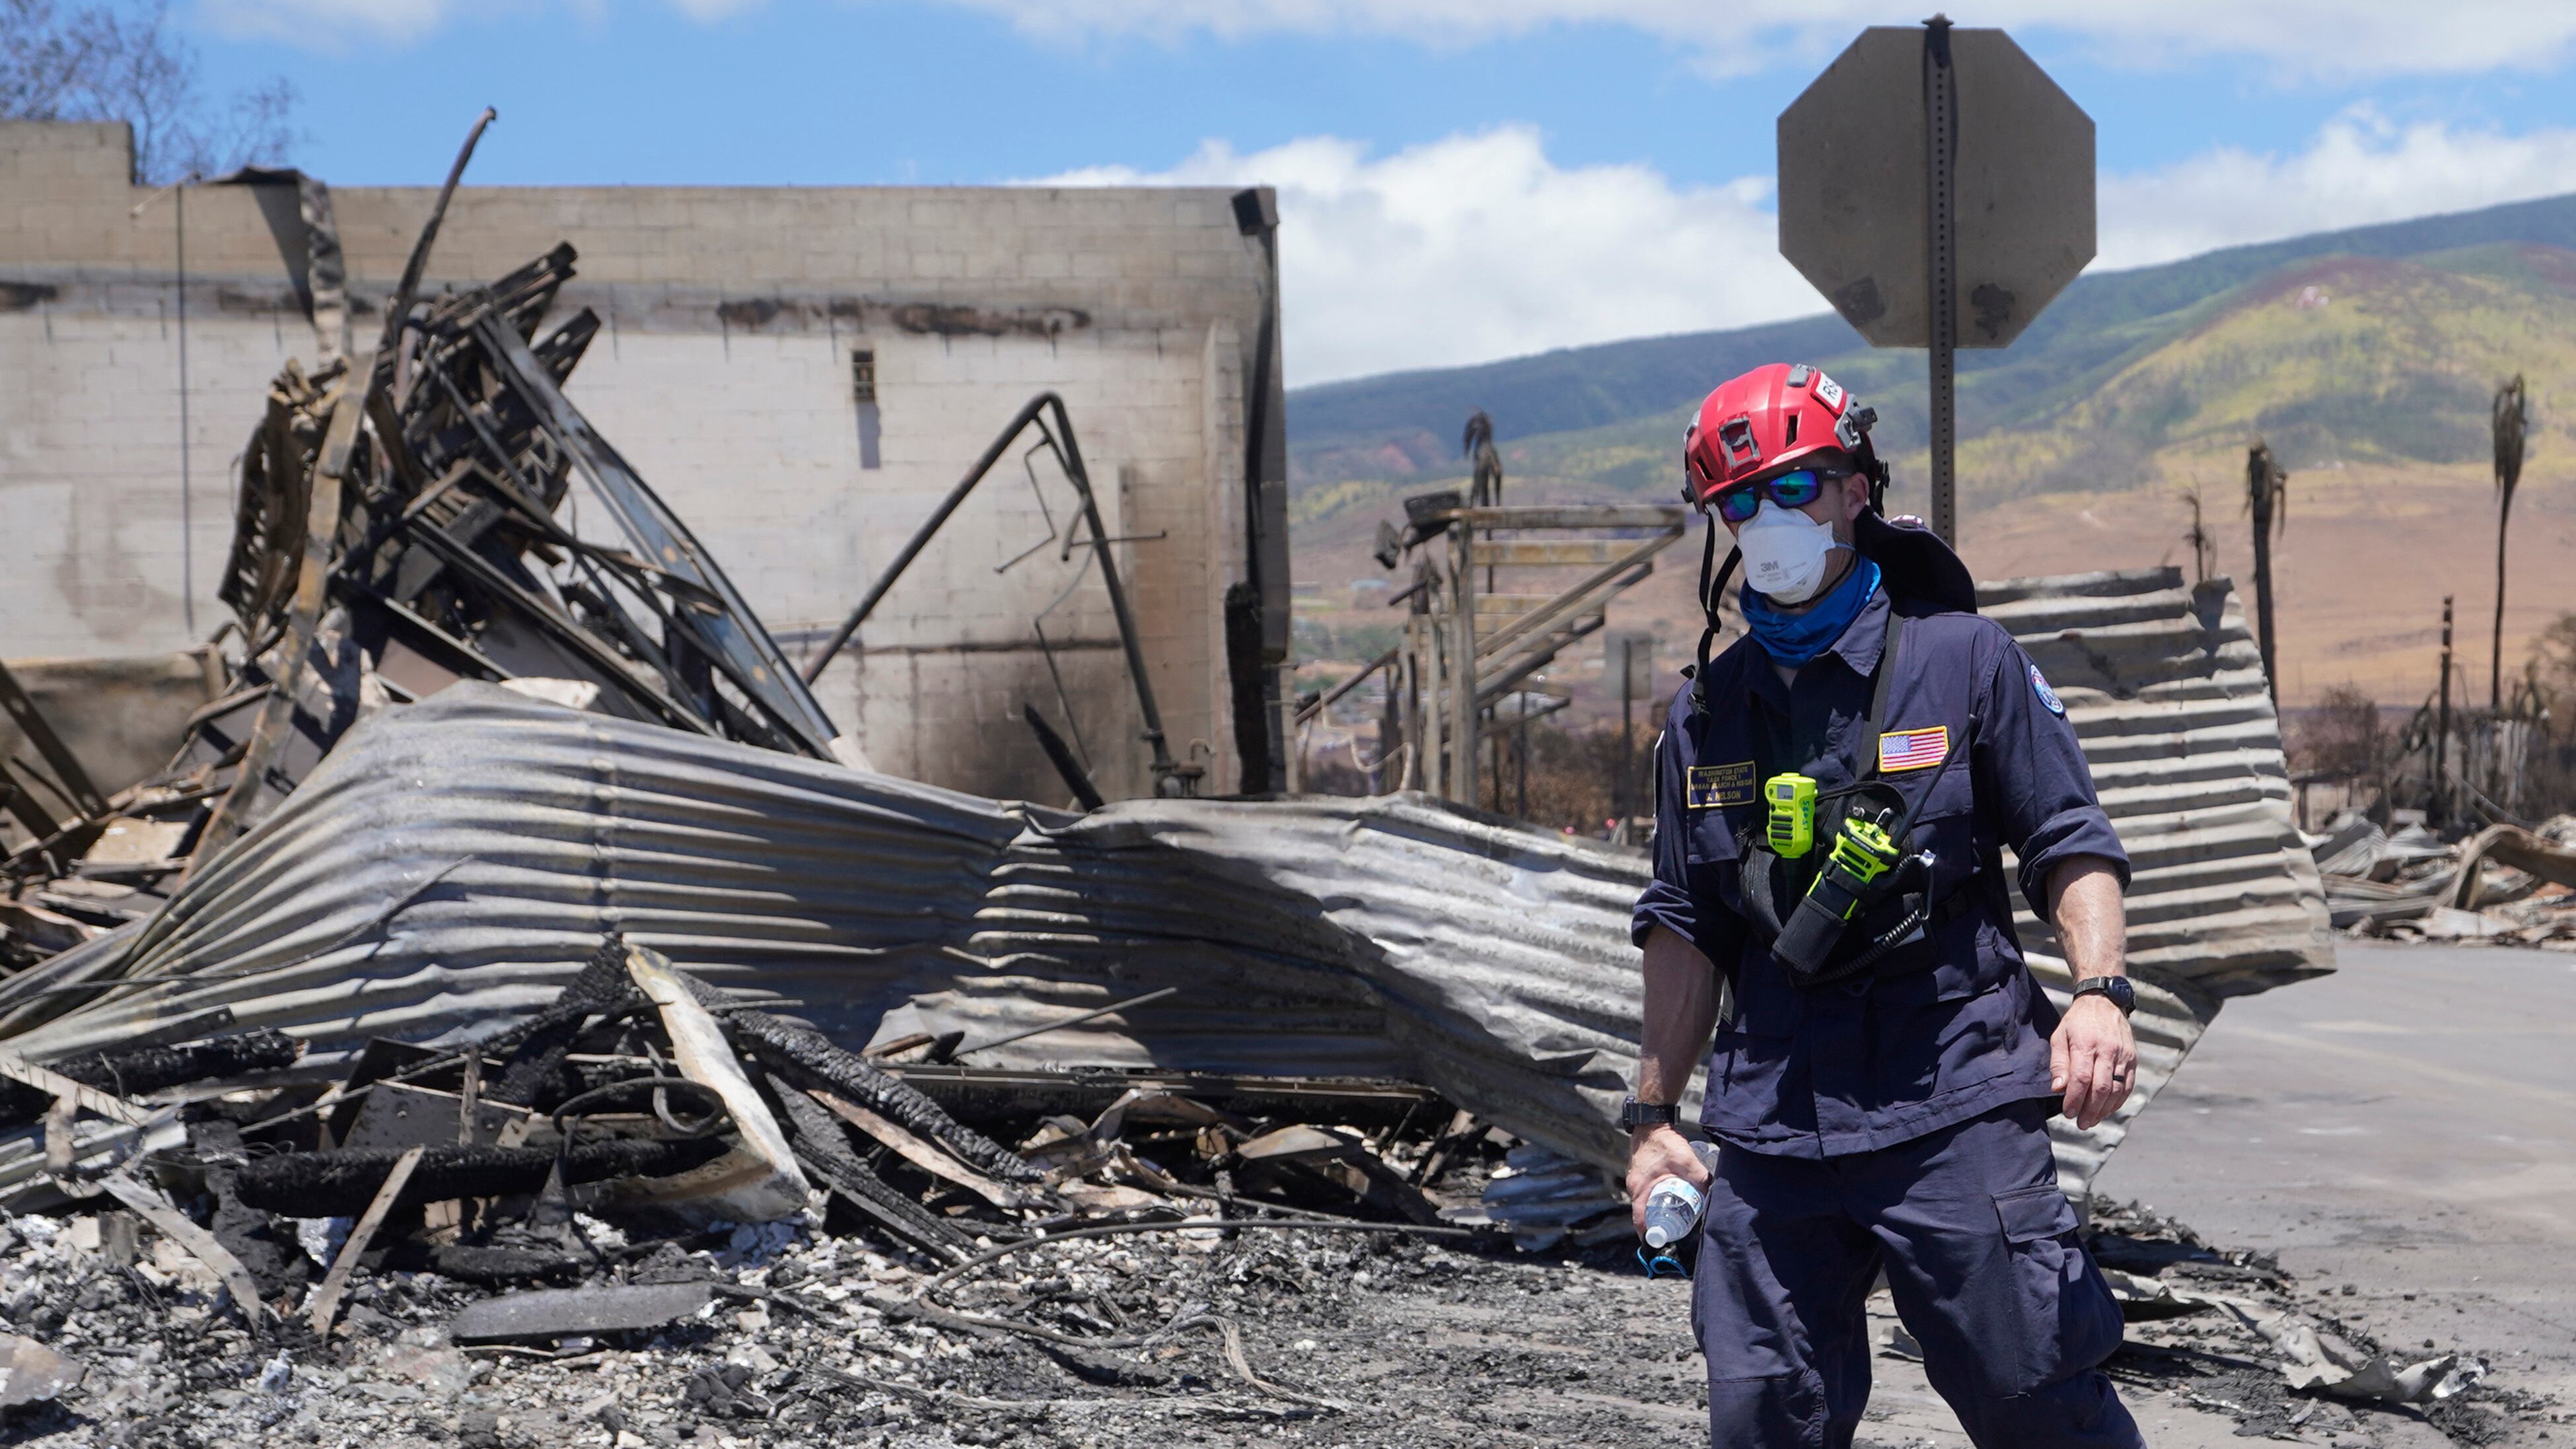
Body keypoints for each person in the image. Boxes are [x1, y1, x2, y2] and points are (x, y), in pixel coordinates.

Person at [1623, 363, 2147, 1449]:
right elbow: (1685, 919)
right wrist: (1654, 1116)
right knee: (1766, 1415)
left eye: (1796, 486)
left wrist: (2098, 994)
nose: (1771, 521)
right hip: (1774, 1122)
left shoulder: (1965, 660)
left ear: (1856, 488)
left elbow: (2068, 840)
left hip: (1951, 1094)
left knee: (2031, 1394)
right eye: (1741, 502)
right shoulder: (1706, 712)